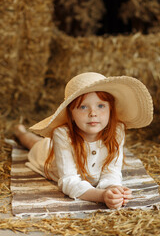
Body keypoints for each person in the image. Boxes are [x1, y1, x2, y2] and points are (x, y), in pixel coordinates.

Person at [14, 72, 153, 209]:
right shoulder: (62, 134)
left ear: (111, 109)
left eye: (100, 106)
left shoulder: (117, 131)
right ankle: (20, 132)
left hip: (61, 148)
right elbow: (69, 180)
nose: (93, 113)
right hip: (49, 157)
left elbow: (111, 172)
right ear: (71, 114)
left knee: (35, 142)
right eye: (83, 107)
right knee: (32, 142)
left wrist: (114, 190)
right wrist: (101, 195)